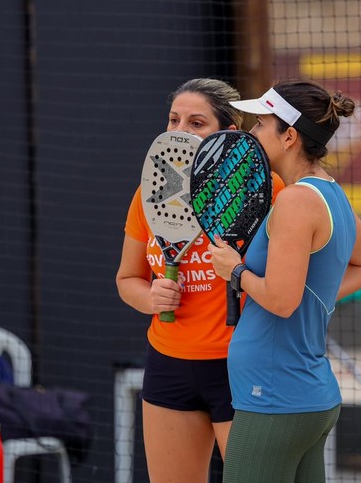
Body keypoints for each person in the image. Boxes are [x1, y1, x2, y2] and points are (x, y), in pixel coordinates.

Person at [207, 79, 361, 483]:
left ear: (288, 136)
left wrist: (235, 271)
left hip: (275, 396)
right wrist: (313, 295)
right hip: (305, 398)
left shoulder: (295, 201)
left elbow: (283, 301)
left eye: (259, 125)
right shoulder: (329, 194)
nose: (251, 134)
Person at [115, 78, 284, 483]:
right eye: (173, 120)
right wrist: (151, 297)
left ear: (227, 133)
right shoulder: (149, 195)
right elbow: (127, 279)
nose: (179, 132)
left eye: (196, 122)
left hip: (241, 367)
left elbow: (292, 281)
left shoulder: (264, 190)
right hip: (168, 366)